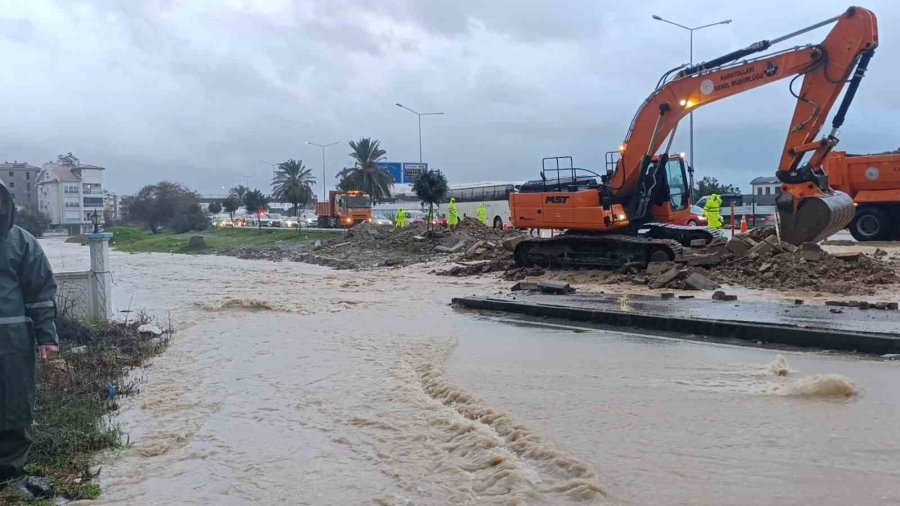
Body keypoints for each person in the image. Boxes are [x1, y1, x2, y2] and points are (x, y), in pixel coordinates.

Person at [0, 180, 58, 500]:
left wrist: (47, 337)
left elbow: (40, 293)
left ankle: (10, 478)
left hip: (12, 343)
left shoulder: (22, 243)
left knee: (14, 409)